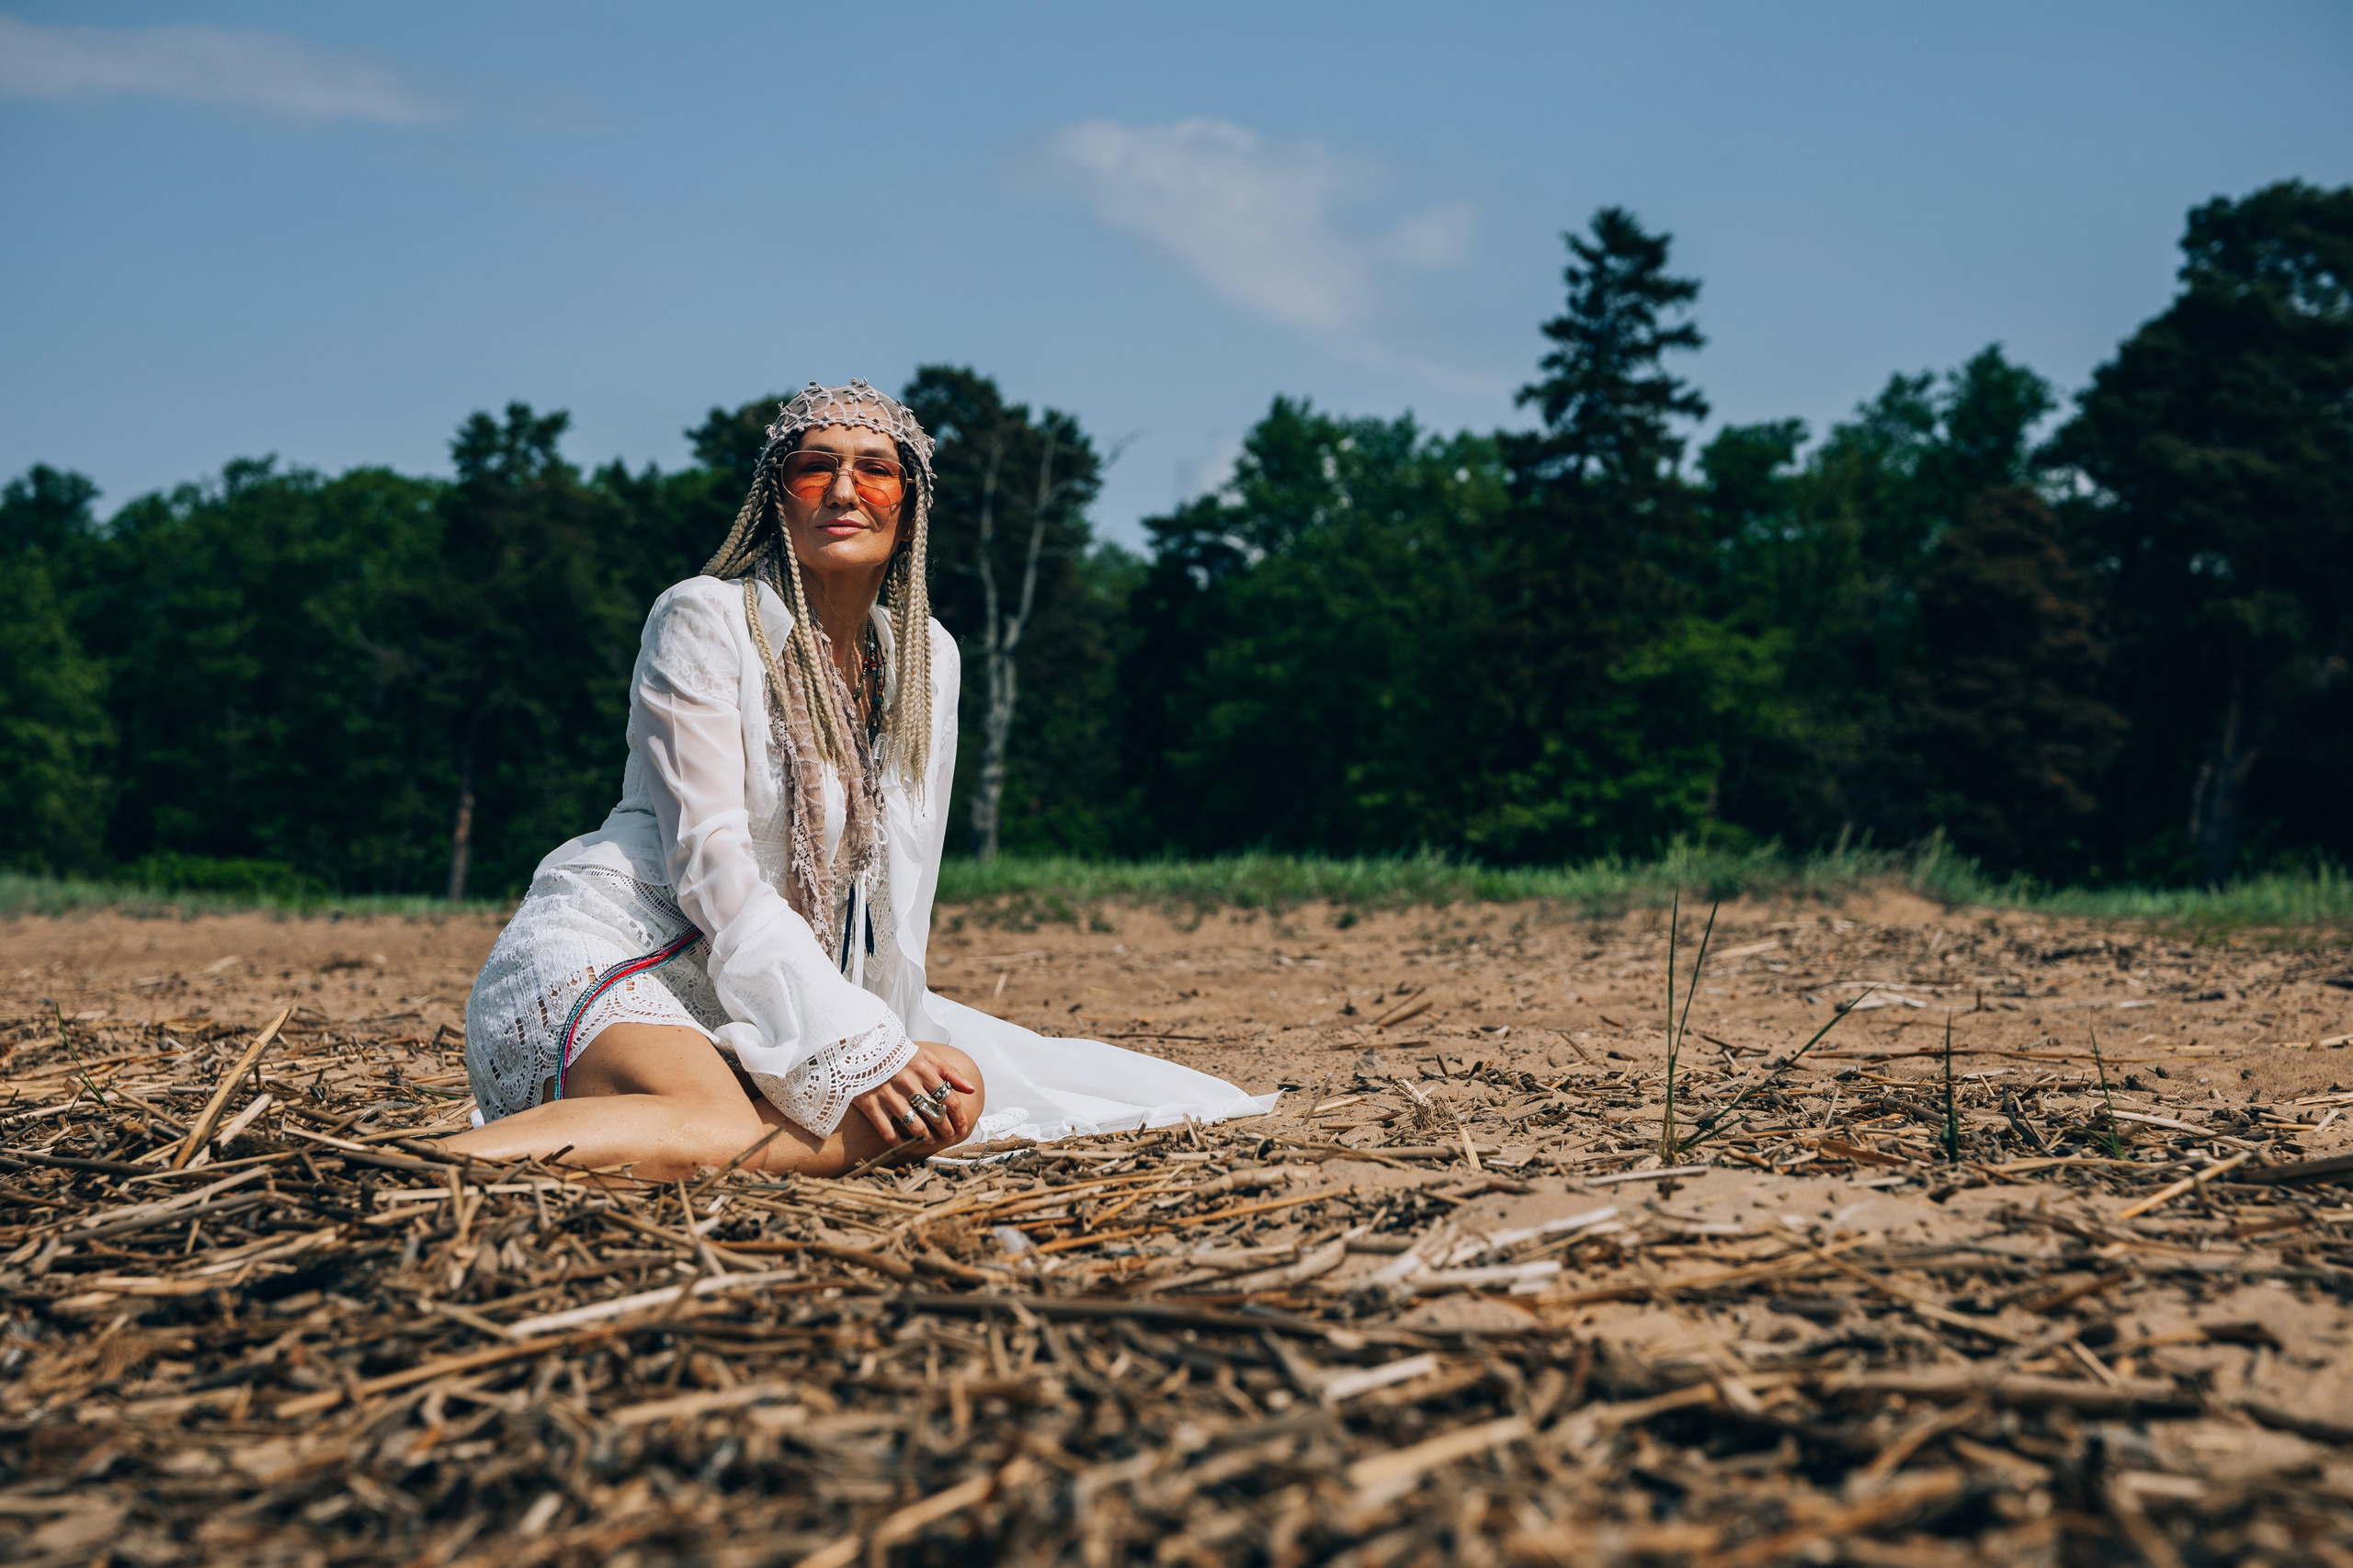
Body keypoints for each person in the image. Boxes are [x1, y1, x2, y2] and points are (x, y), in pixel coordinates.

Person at [444, 381, 1273, 1179]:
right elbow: (709, 863)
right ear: (778, 498)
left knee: (952, 1091)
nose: (844, 489)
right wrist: (850, 1045)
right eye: (816, 467)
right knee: (717, 1123)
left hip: (751, 1005)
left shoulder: (926, 658)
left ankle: (631, 1139)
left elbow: (897, 901)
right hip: (619, 956)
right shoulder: (703, 616)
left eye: (875, 469)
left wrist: (879, 1042)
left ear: (908, 507)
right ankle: (430, 1163)